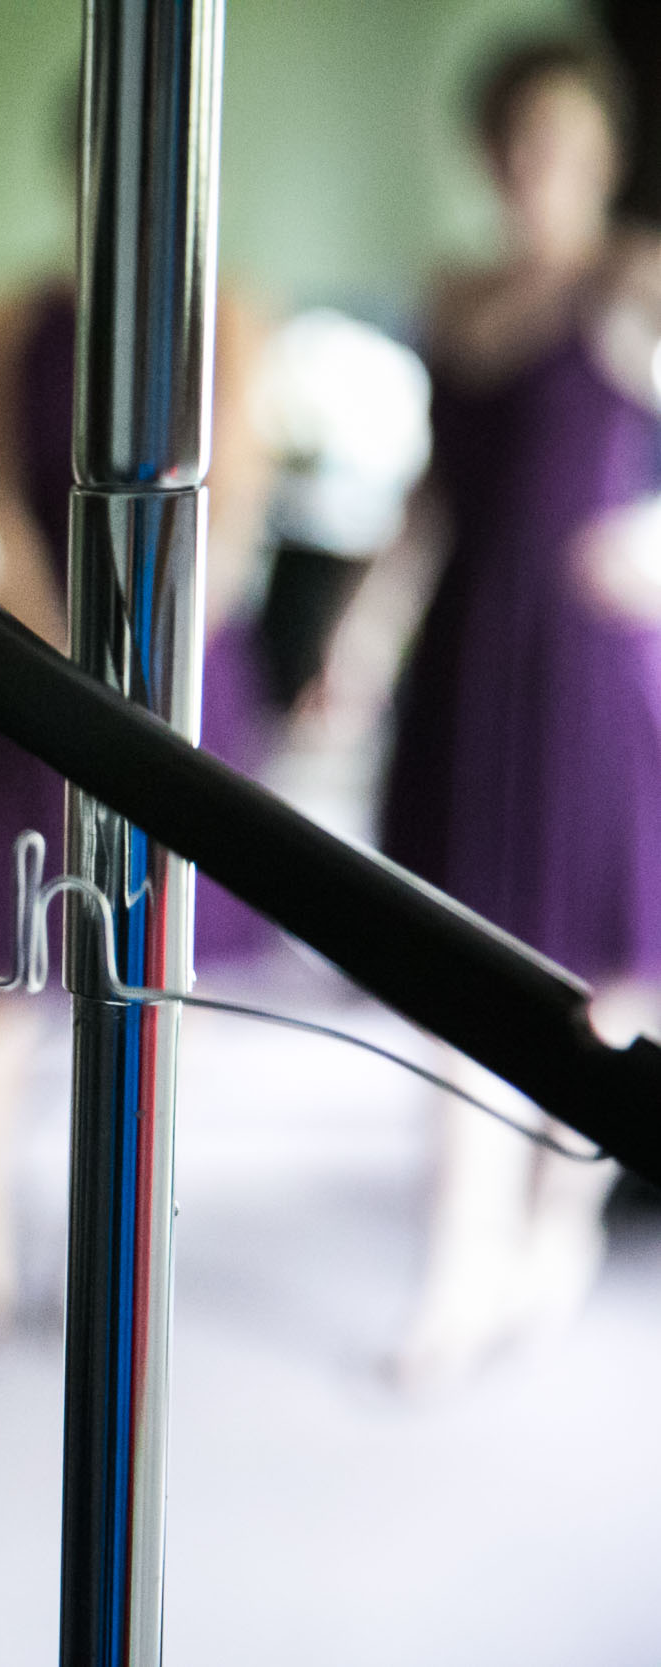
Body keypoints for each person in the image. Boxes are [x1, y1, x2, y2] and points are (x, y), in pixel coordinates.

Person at [0, 91, 277, 1346]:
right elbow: (3, 507)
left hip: (173, 670)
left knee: (147, 968)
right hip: (40, 658)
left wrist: (148, 667)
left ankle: (127, 1248)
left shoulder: (224, 313)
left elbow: (233, 506)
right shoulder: (18, 314)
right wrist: (45, 640)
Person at [381, 38, 661, 1390]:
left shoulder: (635, 281)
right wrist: (366, 633)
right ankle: (457, 1266)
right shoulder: (460, 294)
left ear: (599, 150)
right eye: (514, 136)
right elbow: (433, 492)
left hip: (591, 668)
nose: (533, 162)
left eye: (557, 137)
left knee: (599, 975)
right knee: (460, 972)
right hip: (467, 659)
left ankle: (560, 1220)